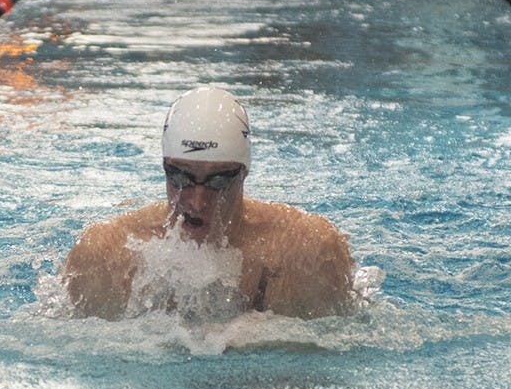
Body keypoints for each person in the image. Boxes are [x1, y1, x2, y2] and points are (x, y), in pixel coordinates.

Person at [62, 86, 357, 320]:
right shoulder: (107, 254)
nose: (197, 200)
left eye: (218, 182)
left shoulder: (305, 251)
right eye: (180, 177)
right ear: (164, 167)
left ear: (244, 173)